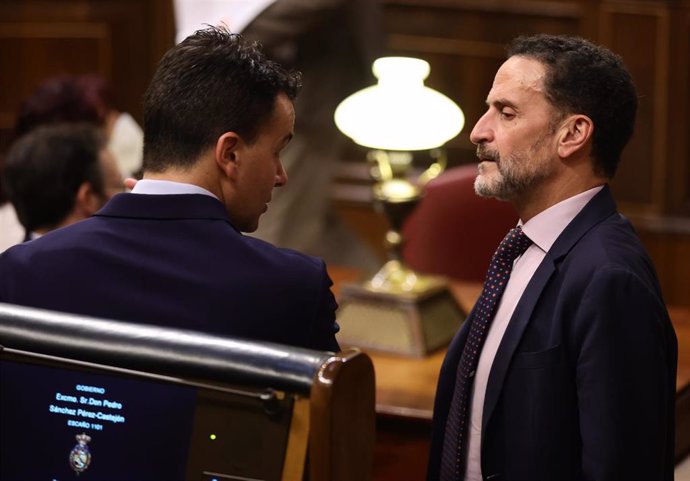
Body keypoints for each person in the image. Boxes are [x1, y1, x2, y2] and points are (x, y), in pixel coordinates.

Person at [427, 34, 677, 481]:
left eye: (506, 113)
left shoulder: (609, 278)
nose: (478, 131)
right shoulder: (520, 248)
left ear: (573, 134)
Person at [0, 26, 339, 352]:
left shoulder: (19, 271)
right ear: (230, 154)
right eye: (277, 151)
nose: (281, 176)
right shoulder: (294, 289)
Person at [240, 0, 382, 270]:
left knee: (276, 235)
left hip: (307, 99)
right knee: (311, 220)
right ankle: (379, 290)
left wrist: (232, 34)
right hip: (274, 91)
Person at [2, 123, 123, 241]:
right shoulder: (124, 257)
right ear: (88, 198)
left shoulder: (9, 260)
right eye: (119, 186)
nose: (130, 193)